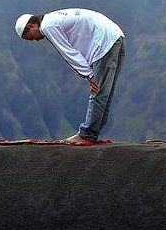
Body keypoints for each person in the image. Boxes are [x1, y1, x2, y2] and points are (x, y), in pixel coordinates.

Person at [15, 8, 125, 145]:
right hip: (116, 37)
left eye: (30, 37)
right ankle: (93, 132)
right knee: (105, 92)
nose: (35, 41)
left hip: (103, 41)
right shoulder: (52, 18)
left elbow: (68, 52)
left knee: (98, 90)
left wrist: (89, 75)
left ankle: (87, 135)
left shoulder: (47, 26)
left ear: (32, 25)